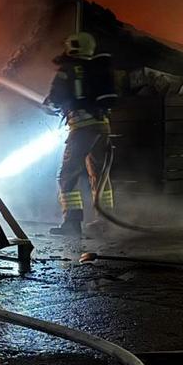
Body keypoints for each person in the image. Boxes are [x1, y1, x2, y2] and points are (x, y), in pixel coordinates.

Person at [43, 31, 119, 237]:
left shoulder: (67, 71)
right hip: (102, 127)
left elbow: (55, 99)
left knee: (68, 175)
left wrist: (48, 106)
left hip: (82, 130)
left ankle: (72, 222)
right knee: (100, 176)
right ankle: (105, 222)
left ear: (72, 47)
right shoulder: (95, 68)